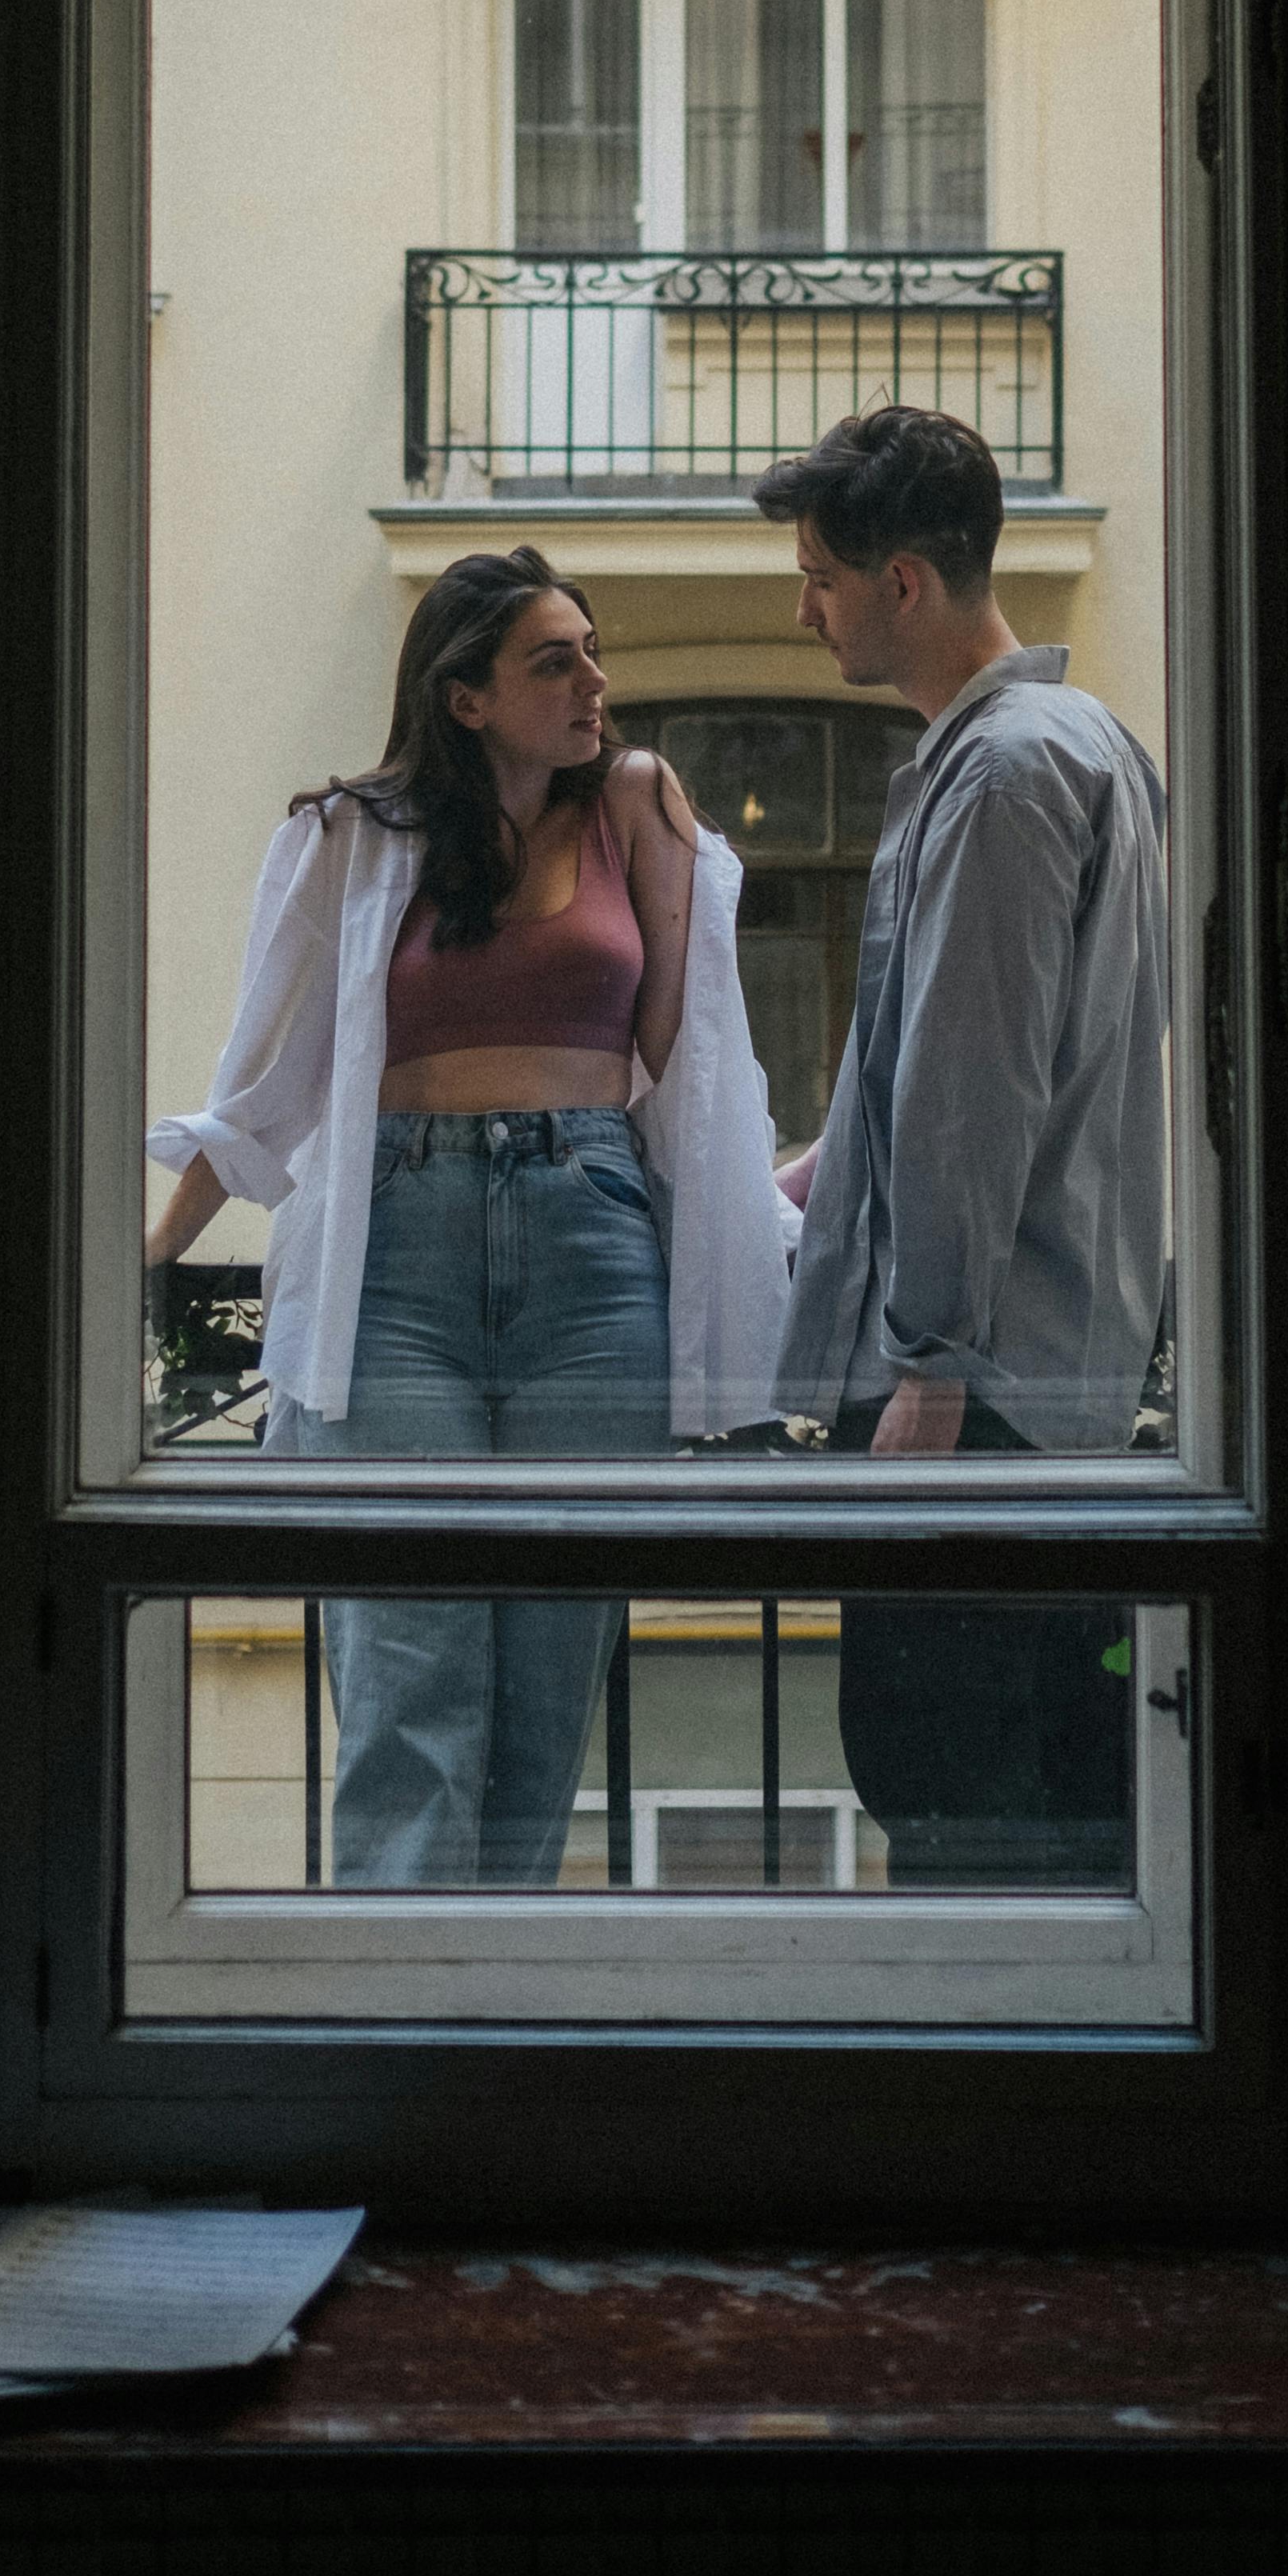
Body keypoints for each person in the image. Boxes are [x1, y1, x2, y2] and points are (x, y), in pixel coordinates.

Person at [143, 549, 785, 1889]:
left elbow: (690, 1064)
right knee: (408, 1680)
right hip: (399, 1263)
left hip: (595, 1246)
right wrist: (148, 1255)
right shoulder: (345, 837)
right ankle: (396, 2041)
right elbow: (261, 1088)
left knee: (547, 1696)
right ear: (466, 697)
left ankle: (495, 2031)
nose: (595, 681)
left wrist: (764, 1230)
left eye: (594, 651)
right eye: (556, 660)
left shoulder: (635, 804)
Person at [752, 406, 1169, 1886]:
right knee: (1034, 1820)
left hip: (977, 1394)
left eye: (819, 576)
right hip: (1046, 1376)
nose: (804, 608)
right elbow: (937, 1063)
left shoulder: (1001, 775)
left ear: (905, 584)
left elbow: (971, 1084)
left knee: (965, 1822)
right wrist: (797, 1180)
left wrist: (925, 1368)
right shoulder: (1074, 743)